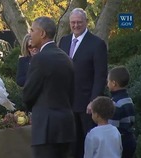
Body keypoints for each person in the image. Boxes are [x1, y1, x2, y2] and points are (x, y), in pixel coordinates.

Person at [23, 16, 76, 158]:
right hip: (66, 127)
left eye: (32, 30)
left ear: (42, 33)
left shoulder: (40, 59)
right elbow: (71, 93)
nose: (30, 34)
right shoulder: (67, 58)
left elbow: (28, 94)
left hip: (45, 129)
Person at [58, 8, 108, 158]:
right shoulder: (64, 41)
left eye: (79, 22)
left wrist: (94, 101)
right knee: (71, 143)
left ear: (86, 22)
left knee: (88, 142)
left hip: (87, 104)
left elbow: (100, 75)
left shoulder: (97, 44)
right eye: (73, 22)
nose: (76, 25)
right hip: (67, 102)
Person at [107, 66, 136, 158]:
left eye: (108, 81)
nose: (107, 84)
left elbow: (113, 128)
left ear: (114, 83)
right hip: (130, 138)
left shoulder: (115, 103)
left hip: (120, 141)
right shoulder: (128, 99)